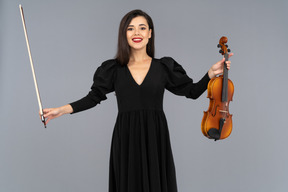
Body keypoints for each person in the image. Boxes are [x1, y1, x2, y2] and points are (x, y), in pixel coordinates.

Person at [42, 9, 232, 192]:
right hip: (126, 137)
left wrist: (210, 74)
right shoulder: (113, 69)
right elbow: (93, 98)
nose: (136, 33)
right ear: (124, 34)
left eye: (142, 27)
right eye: (130, 28)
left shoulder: (164, 67)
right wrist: (61, 110)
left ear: (150, 33)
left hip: (155, 136)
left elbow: (192, 91)